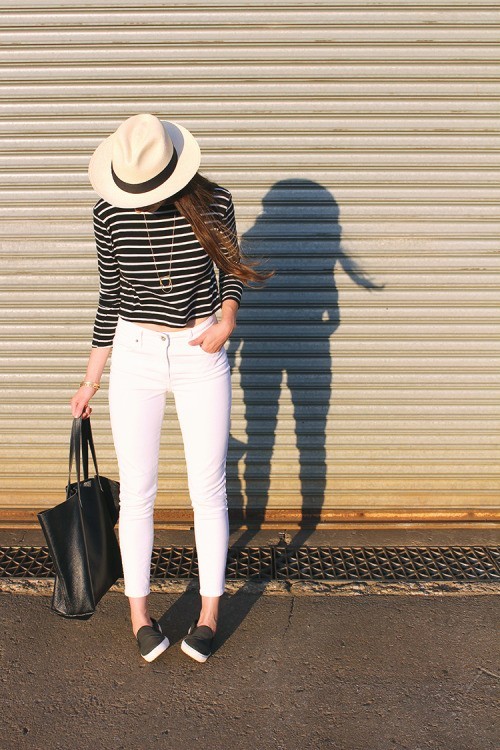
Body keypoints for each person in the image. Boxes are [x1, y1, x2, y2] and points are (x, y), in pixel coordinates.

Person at [70, 113, 271, 663]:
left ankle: (208, 613)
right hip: (135, 354)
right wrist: (91, 378)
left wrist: (226, 321)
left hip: (198, 350)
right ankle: (138, 614)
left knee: (207, 488)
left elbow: (230, 271)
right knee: (138, 491)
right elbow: (110, 296)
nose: (138, 200)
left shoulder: (214, 204)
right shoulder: (108, 213)